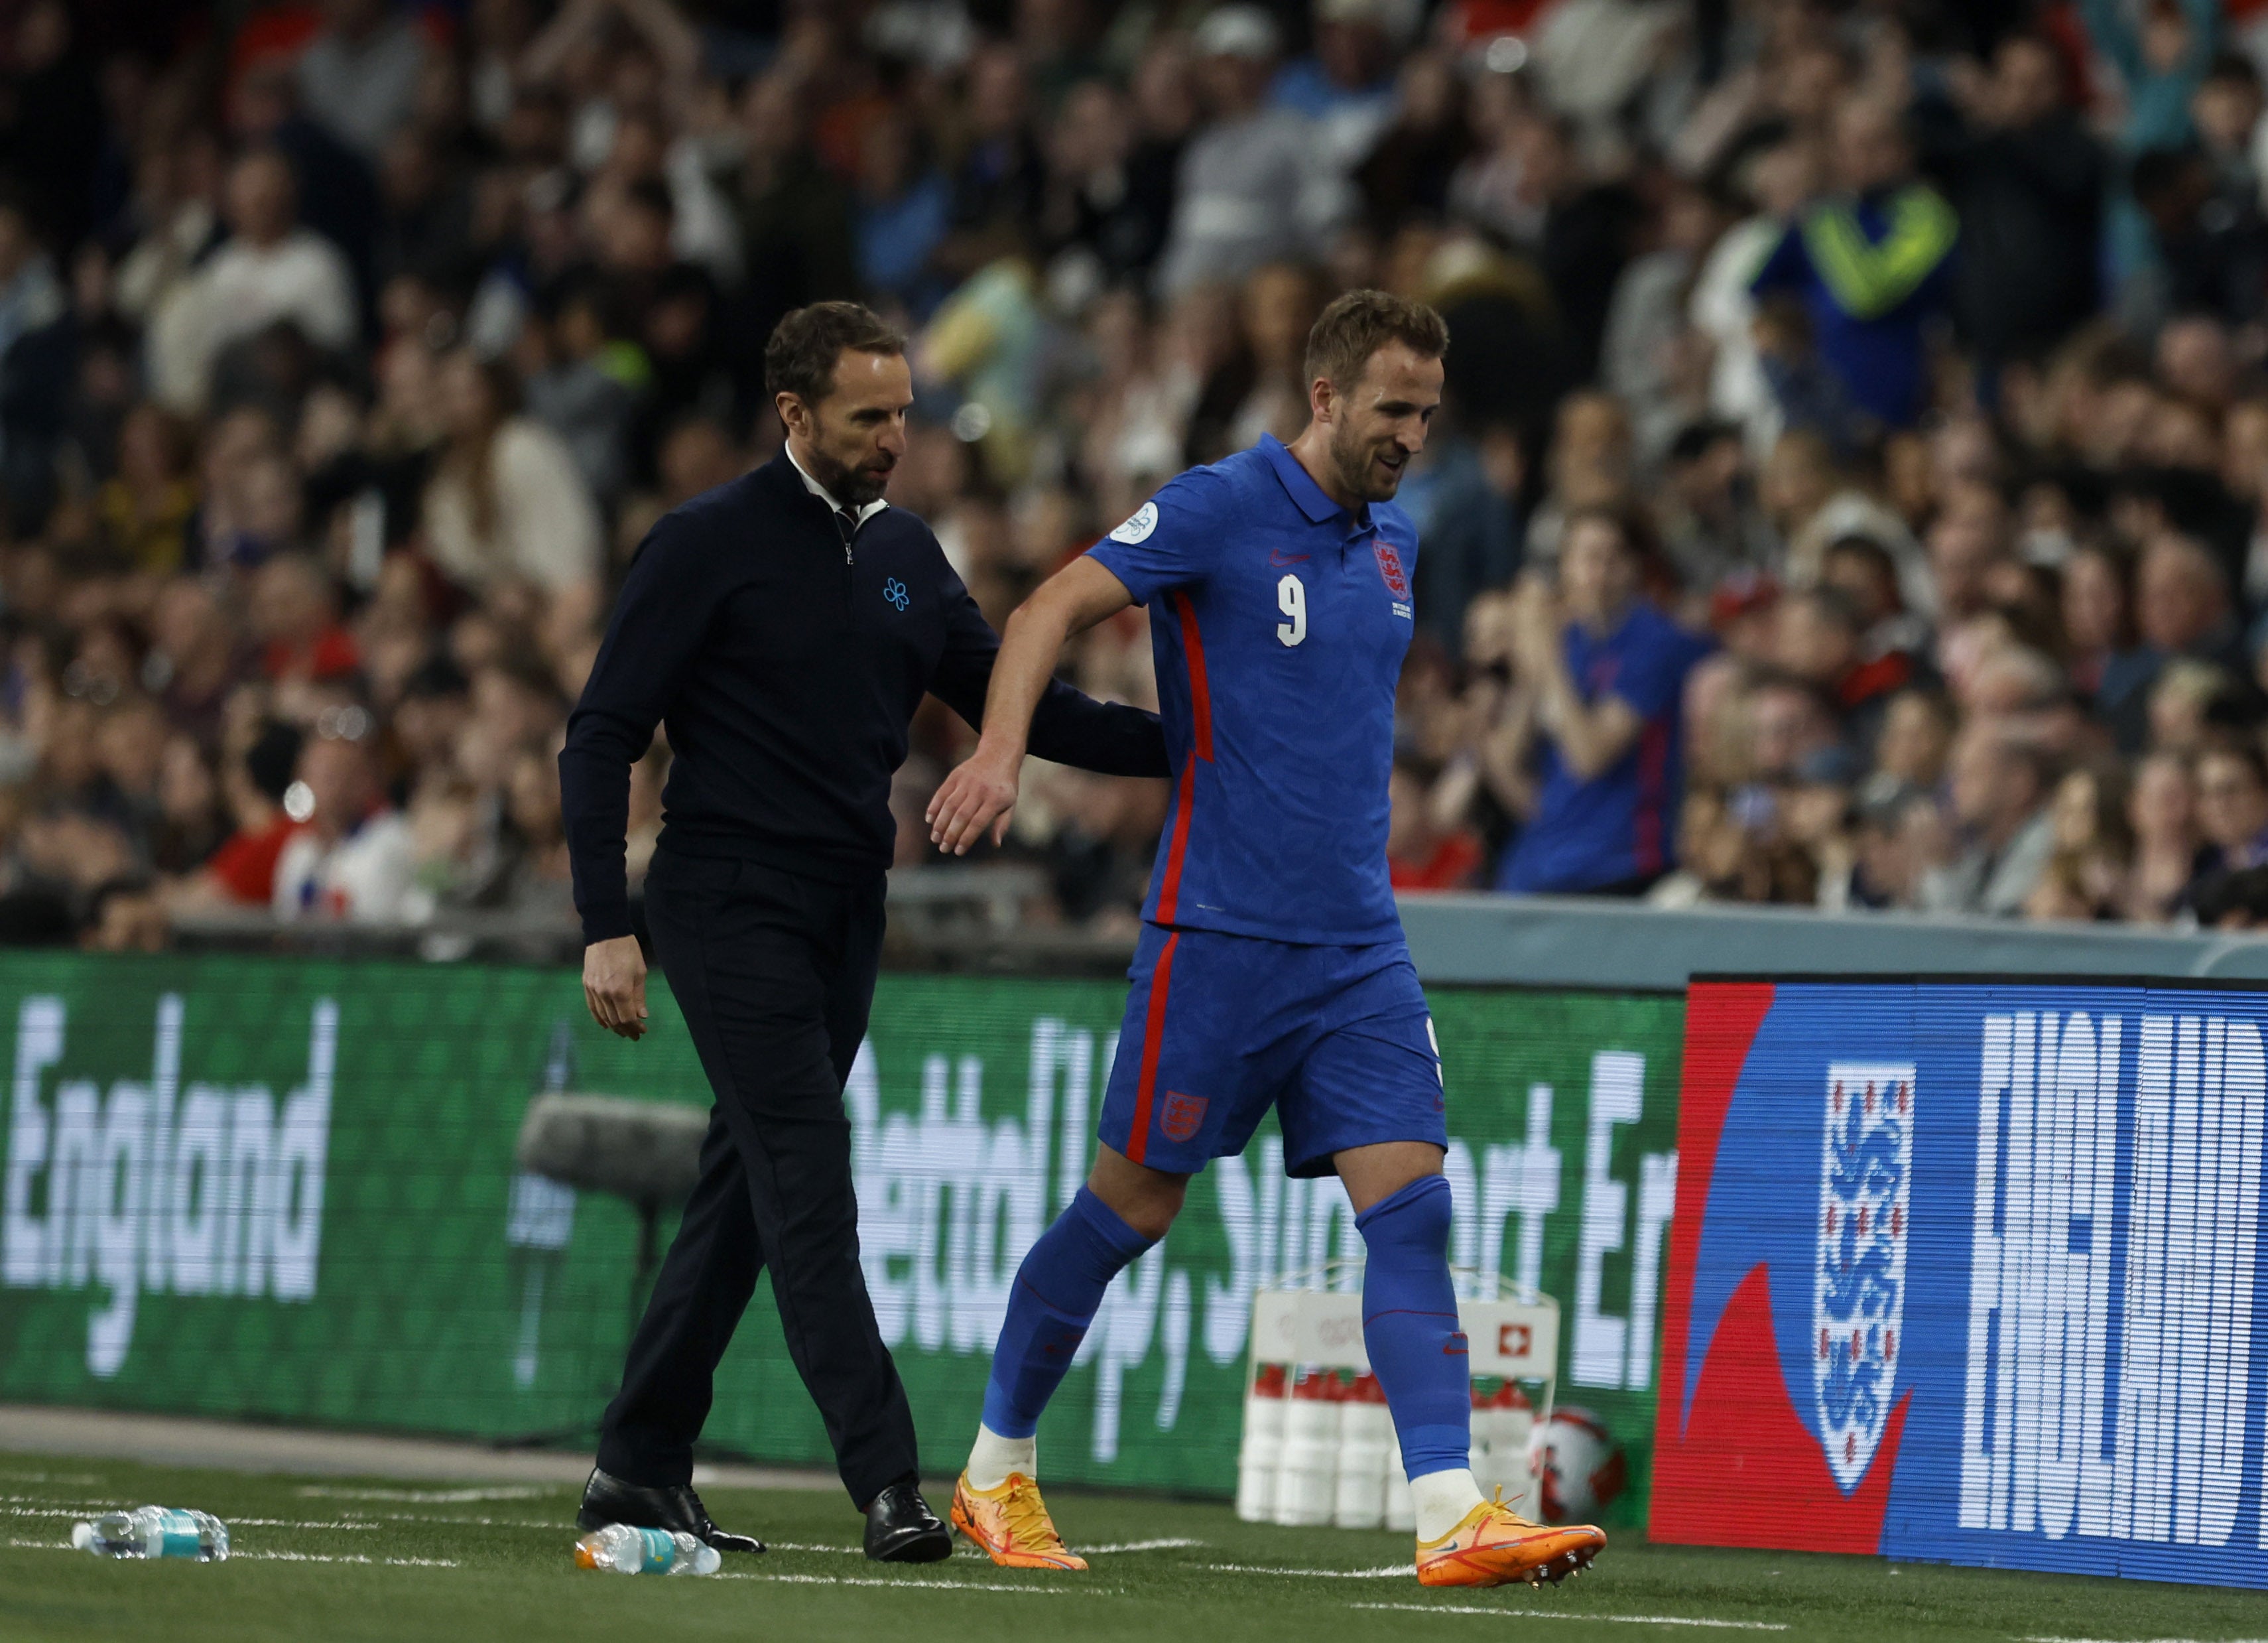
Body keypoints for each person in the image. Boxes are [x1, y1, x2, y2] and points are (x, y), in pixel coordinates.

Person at [925, 290, 1606, 1589]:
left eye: (1429, 413)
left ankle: (1453, 1506)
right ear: (1328, 396)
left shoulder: (1396, 545)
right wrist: (1004, 752)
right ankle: (995, 1465)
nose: (1412, 433)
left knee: (1411, 1208)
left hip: (1356, 943)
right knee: (1133, 1201)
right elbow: (1043, 609)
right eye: (1394, 408)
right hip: (1219, 933)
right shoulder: (1220, 505)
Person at [558, 302, 1170, 1563]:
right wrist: (602, 925)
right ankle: (889, 1478)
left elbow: (1024, 702)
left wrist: (1197, 746)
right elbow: (601, 733)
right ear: (794, 414)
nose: (899, 437)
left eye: (905, 412)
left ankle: (635, 1460)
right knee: (804, 1175)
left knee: (746, 1186)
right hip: (724, 896)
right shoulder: (704, 543)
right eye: (870, 417)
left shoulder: (905, 553)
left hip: (845, 907)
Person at [1497, 509, 1713, 895]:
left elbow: (1590, 757)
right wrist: (1528, 655)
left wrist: (1547, 655)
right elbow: (1508, 755)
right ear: (1564, 568)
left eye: (1613, 557)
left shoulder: (1653, 642)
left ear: (1633, 567)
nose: (1599, 572)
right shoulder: (1569, 639)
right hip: (1546, 862)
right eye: (1586, 558)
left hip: (1622, 865)